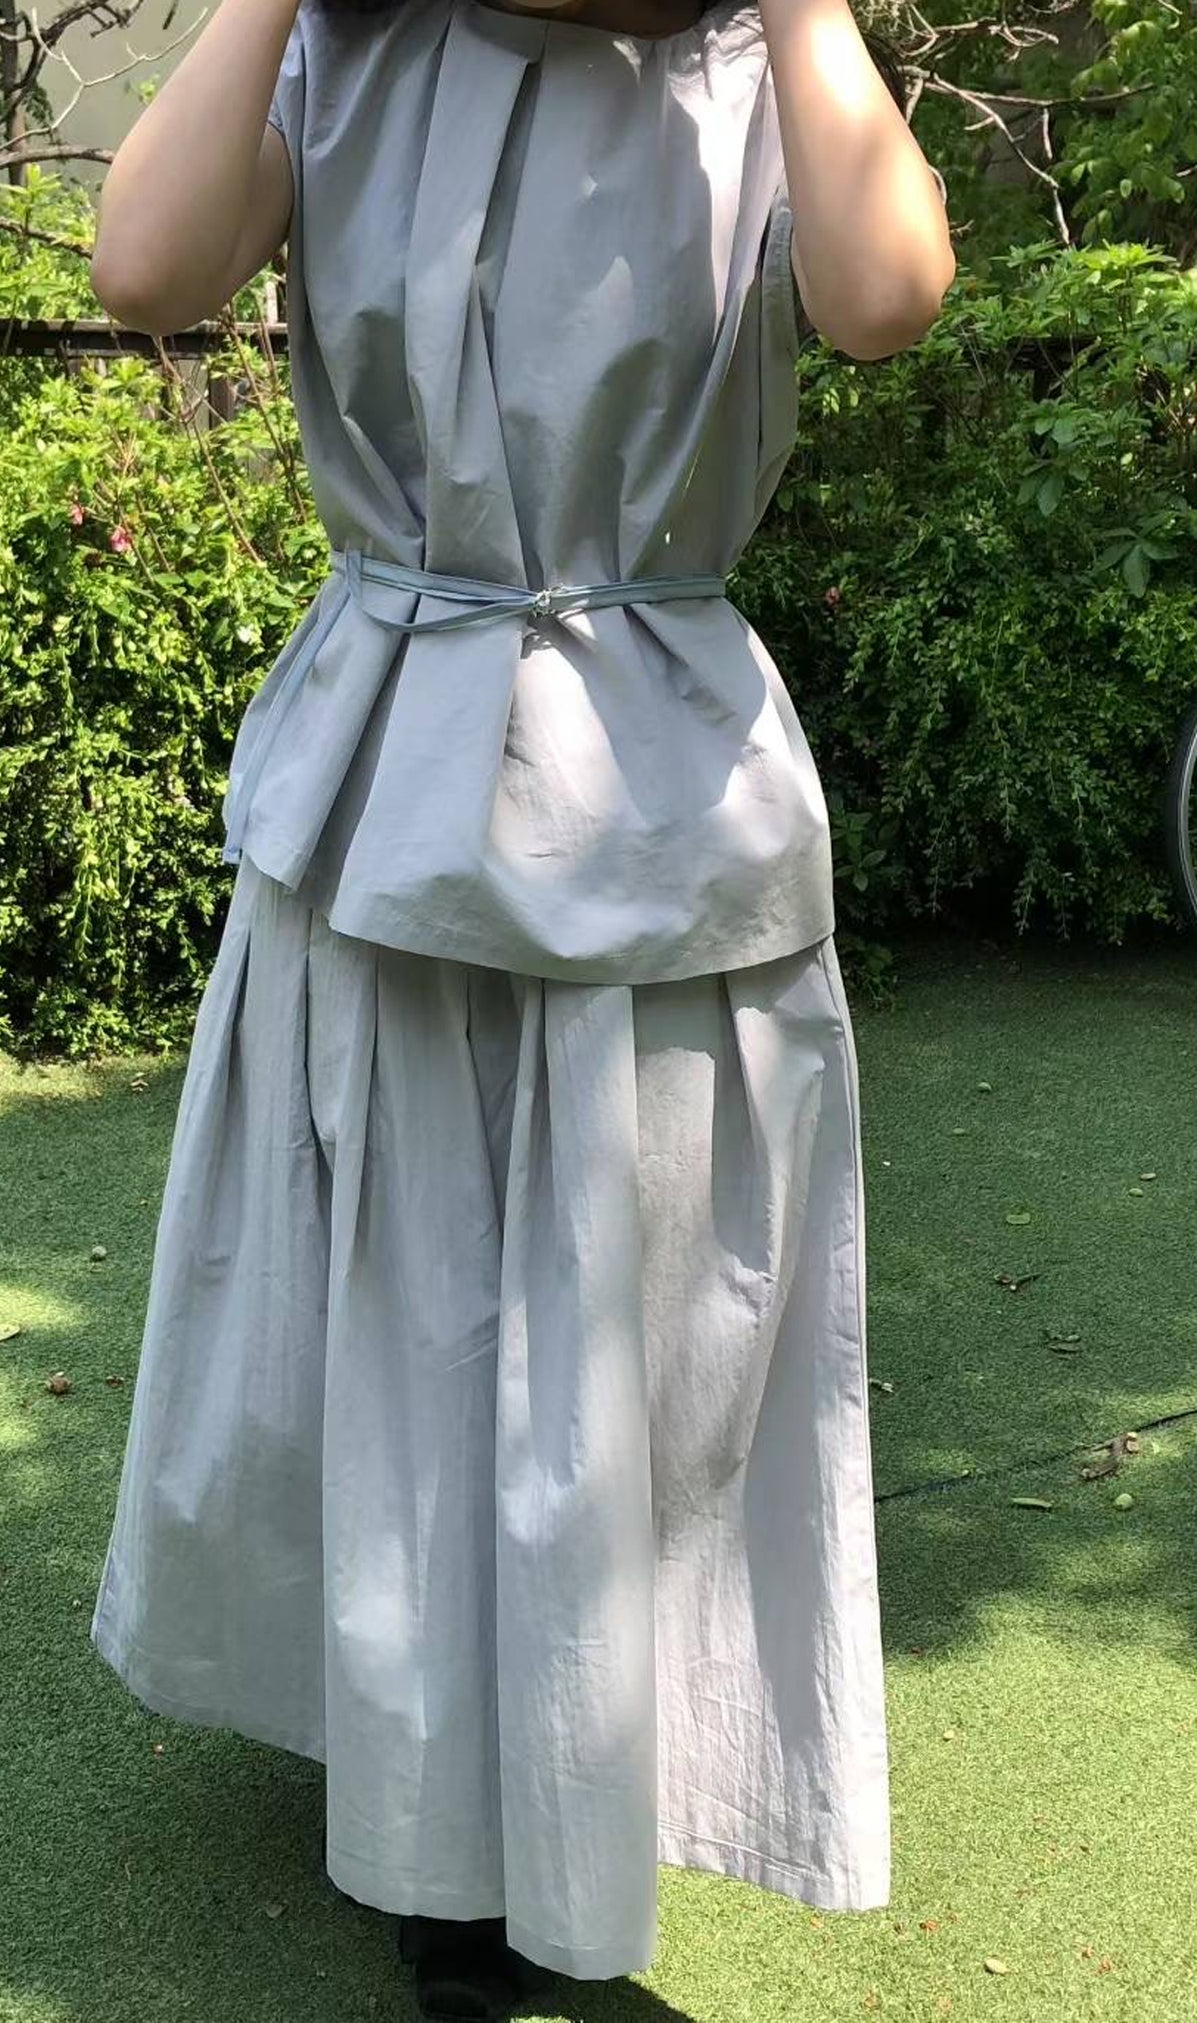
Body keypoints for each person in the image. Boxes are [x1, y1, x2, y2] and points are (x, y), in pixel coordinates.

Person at [86, 0, 954, 2015]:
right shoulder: (349, 50)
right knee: (391, 1310)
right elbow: (144, 268)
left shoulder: (751, 69)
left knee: (631, 1324)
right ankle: (419, 1794)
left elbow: (887, 293)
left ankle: (577, 1775)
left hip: (656, 790)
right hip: (387, 769)